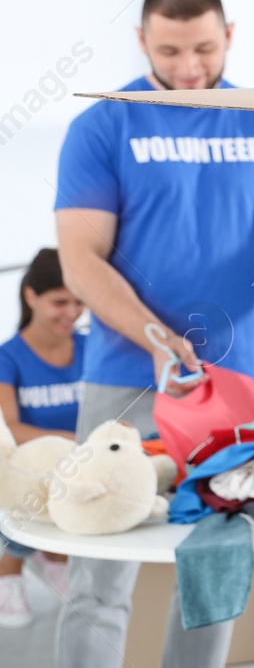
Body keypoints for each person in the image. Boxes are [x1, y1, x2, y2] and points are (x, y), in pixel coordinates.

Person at [54, 0, 254, 667]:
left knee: (213, 571)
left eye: (206, 50)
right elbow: (80, 258)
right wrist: (156, 337)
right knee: (99, 572)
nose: (190, 68)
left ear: (230, 37)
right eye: (171, 51)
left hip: (237, 388)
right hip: (126, 382)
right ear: (142, 41)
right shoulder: (105, 124)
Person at [0, 248, 85, 629]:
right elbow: (8, 428)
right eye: (60, 301)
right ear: (31, 295)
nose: (72, 311)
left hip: (81, 462)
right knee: (35, 485)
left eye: (80, 301)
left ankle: (55, 558)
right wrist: (69, 439)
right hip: (26, 467)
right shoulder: (8, 357)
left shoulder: (92, 348)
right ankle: (9, 571)